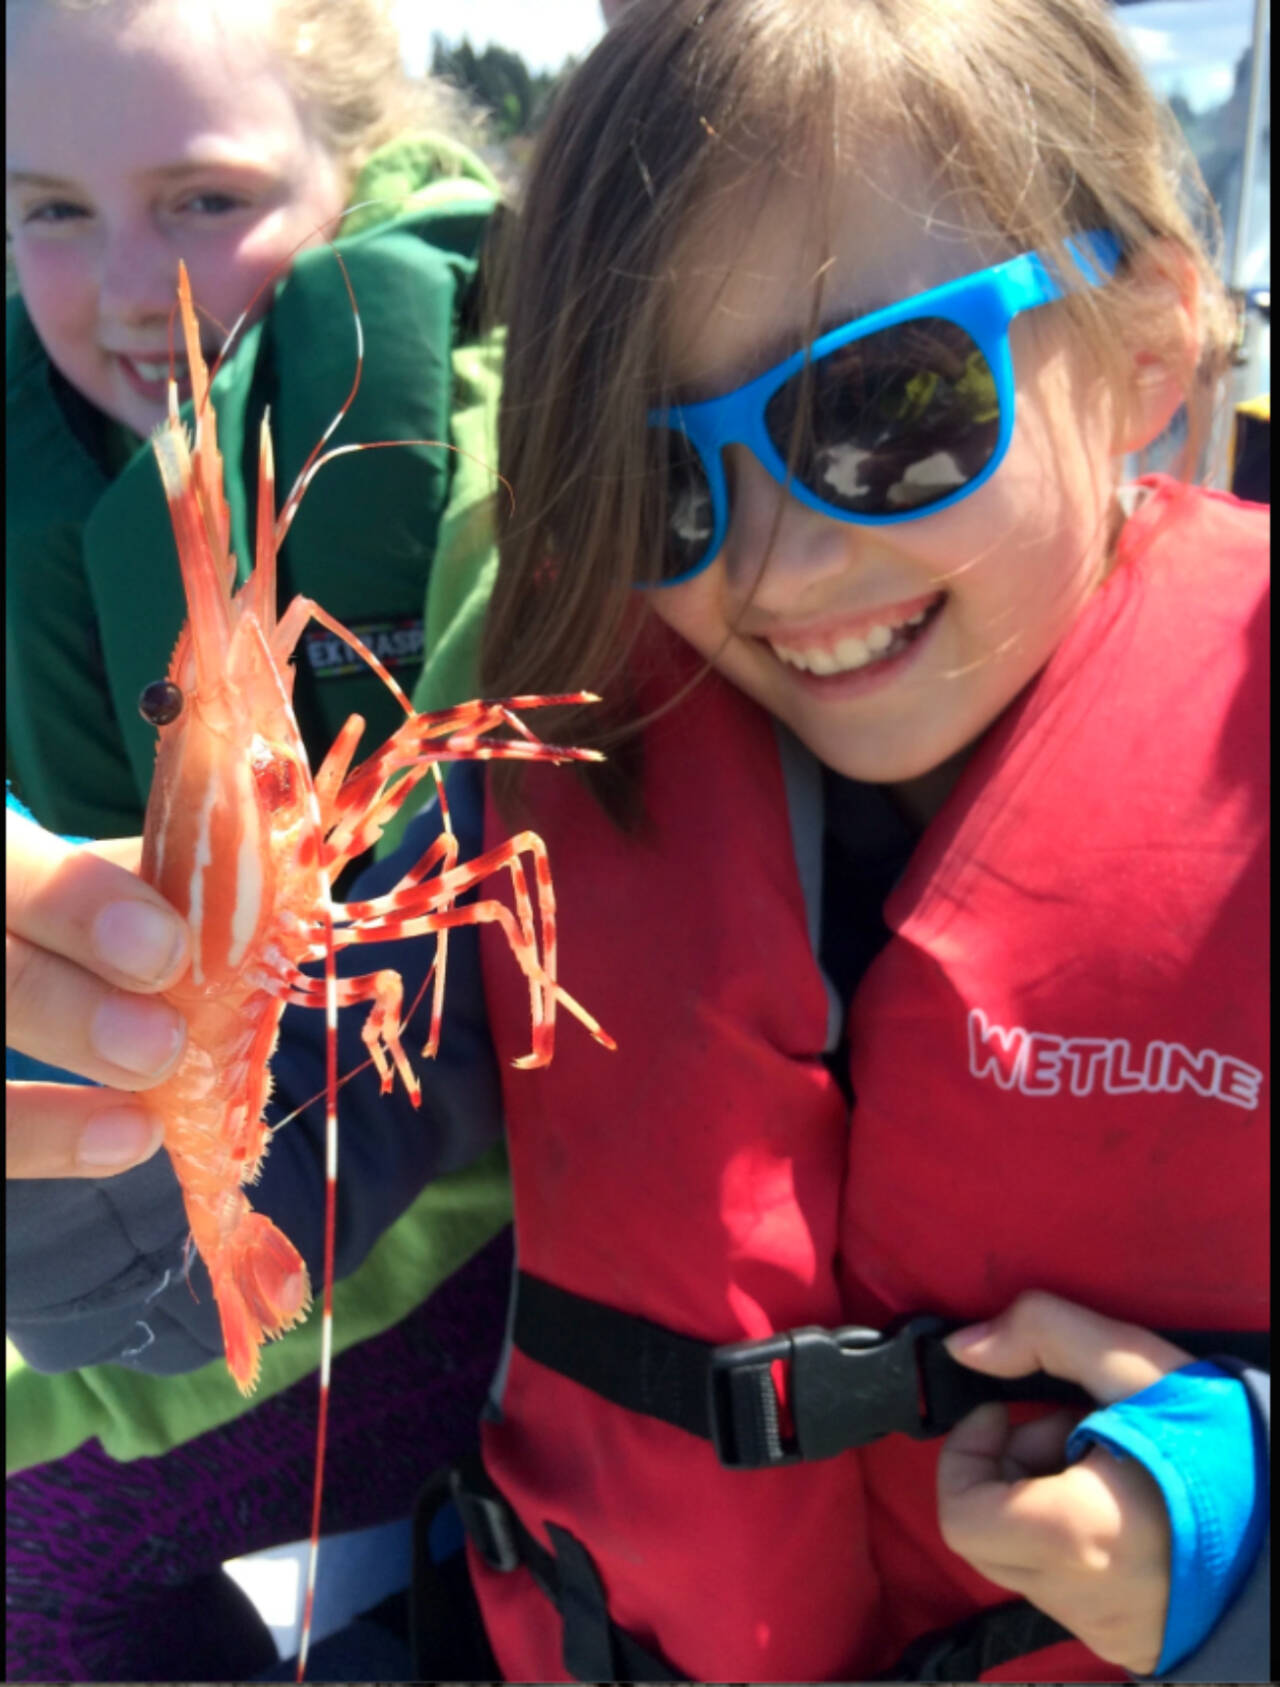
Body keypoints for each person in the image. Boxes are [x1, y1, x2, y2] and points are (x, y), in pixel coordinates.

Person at [7, 0, 1270, 1680]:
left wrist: (1239, 1527)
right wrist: (70, 1101)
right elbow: (175, 1273)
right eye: (657, 476)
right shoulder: (546, 782)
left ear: (1151, 354)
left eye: (888, 408)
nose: (774, 567)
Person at [4, 0, 513, 1675]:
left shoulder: (486, 458)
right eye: (51, 209)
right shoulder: (55, 437)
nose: (128, 286)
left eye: (204, 200)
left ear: (351, 166)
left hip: (428, 1248)